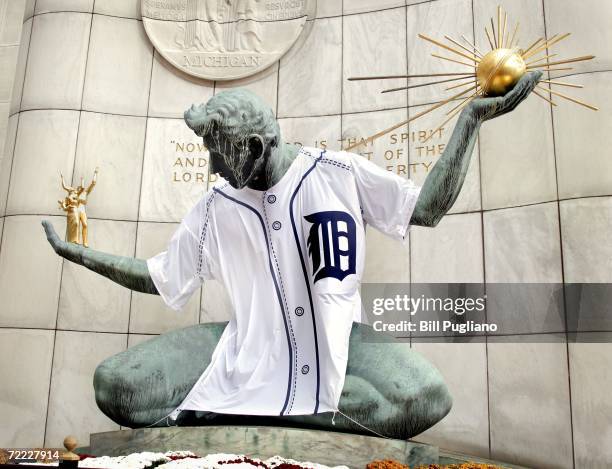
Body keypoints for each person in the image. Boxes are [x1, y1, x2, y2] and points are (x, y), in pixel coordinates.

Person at [41, 71, 541, 431]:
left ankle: (233, 407)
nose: (213, 165)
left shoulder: (338, 172)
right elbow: (157, 276)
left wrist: (471, 121)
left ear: (255, 148)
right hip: (243, 346)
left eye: (218, 151)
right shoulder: (216, 205)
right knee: (117, 386)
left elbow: (427, 208)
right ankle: (279, 405)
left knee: (426, 398)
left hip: (340, 346)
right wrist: (81, 255)